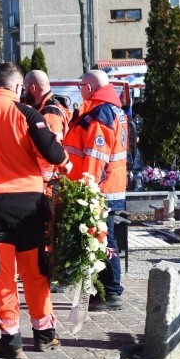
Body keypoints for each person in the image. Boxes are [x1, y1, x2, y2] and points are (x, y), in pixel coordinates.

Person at [0, 62, 68, 358]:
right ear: (18, 87)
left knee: (2, 273)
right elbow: (54, 154)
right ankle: (44, 332)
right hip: (28, 205)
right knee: (35, 271)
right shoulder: (27, 113)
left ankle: (10, 338)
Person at [63, 69, 128, 311]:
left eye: (81, 85)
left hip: (99, 188)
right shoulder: (112, 110)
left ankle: (111, 292)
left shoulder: (101, 114)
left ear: (89, 88)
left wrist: (88, 187)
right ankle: (106, 290)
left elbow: (96, 156)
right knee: (102, 237)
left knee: (104, 238)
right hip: (109, 186)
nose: (80, 90)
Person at [23, 70, 72, 181]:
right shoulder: (48, 107)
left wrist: (46, 178)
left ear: (32, 88)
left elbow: (52, 146)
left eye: (25, 88)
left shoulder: (49, 112)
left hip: (50, 179)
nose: (24, 92)